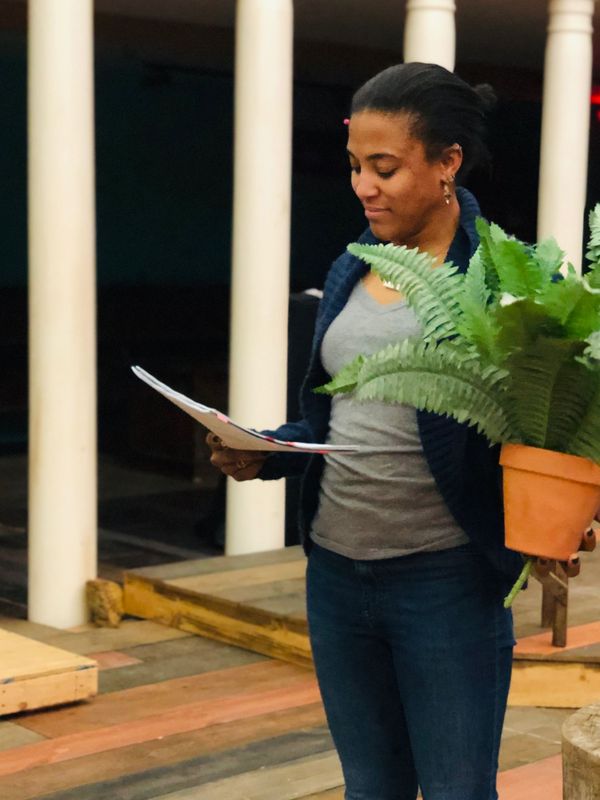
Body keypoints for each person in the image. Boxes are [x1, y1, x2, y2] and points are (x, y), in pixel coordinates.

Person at [207, 62, 596, 800]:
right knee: (371, 787)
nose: (364, 186)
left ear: (448, 163)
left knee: (455, 790)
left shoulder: (502, 282)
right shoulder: (354, 265)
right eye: (357, 166)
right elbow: (344, 416)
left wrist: (566, 517)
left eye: (384, 168)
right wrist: (267, 450)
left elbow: (558, 423)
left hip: (444, 583)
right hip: (335, 574)